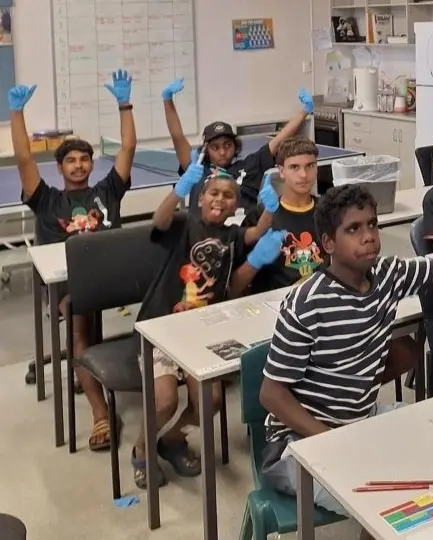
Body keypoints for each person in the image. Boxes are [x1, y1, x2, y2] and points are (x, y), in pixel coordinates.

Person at [258, 143, 433, 540]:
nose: (369, 237)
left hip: (359, 420)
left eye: (372, 225)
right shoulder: (307, 302)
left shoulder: (387, 275)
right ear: (328, 244)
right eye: (354, 229)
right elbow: (271, 393)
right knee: (391, 505)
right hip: (297, 443)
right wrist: (332, 439)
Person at [130, 158, 283, 488]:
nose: (220, 199)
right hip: (161, 329)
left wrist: (271, 208)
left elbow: (256, 232)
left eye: (229, 195)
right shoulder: (184, 224)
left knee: (211, 402)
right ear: (199, 198)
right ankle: (142, 446)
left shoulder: (232, 235)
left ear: (236, 205)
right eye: (213, 192)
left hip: (201, 332)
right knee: (165, 399)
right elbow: (159, 219)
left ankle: (170, 439)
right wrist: (177, 190)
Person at [9, 72, 137, 452]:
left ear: (91, 165)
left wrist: (124, 105)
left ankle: (127, 373)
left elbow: (128, 147)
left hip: (112, 278)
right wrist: (16, 114)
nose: (78, 165)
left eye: (84, 159)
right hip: (70, 285)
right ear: (60, 168)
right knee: (80, 333)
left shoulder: (106, 192)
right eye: (71, 161)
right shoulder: (47, 200)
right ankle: (101, 414)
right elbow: (22, 158)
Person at [161, 78, 313, 214]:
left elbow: (280, 138)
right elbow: (177, 136)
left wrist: (304, 111)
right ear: (206, 150)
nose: (222, 152)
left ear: (235, 147)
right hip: (206, 235)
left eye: (227, 145)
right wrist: (167, 100)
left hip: (243, 234)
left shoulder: (250, 165)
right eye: (215, 147)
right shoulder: (197, 170)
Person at [245, 137, 327, 293]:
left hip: (321, 297)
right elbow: (237, 283)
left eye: (310, 166)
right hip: (275, 302)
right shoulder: (261, 216)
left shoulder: (329, 210)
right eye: (294, 167)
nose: (303, 175)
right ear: (281, 171)